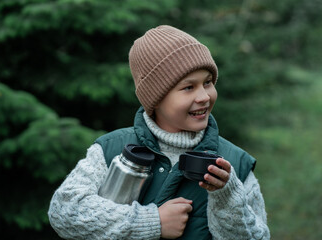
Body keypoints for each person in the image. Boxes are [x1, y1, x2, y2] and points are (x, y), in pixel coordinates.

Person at [48, 25, 270, 240]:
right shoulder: (110, 150)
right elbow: (64, 212)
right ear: (155, 98)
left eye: (208, 82)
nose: (204, 96)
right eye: (188, 87)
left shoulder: (234, 163)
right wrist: (153, 222)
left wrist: (227, 194)